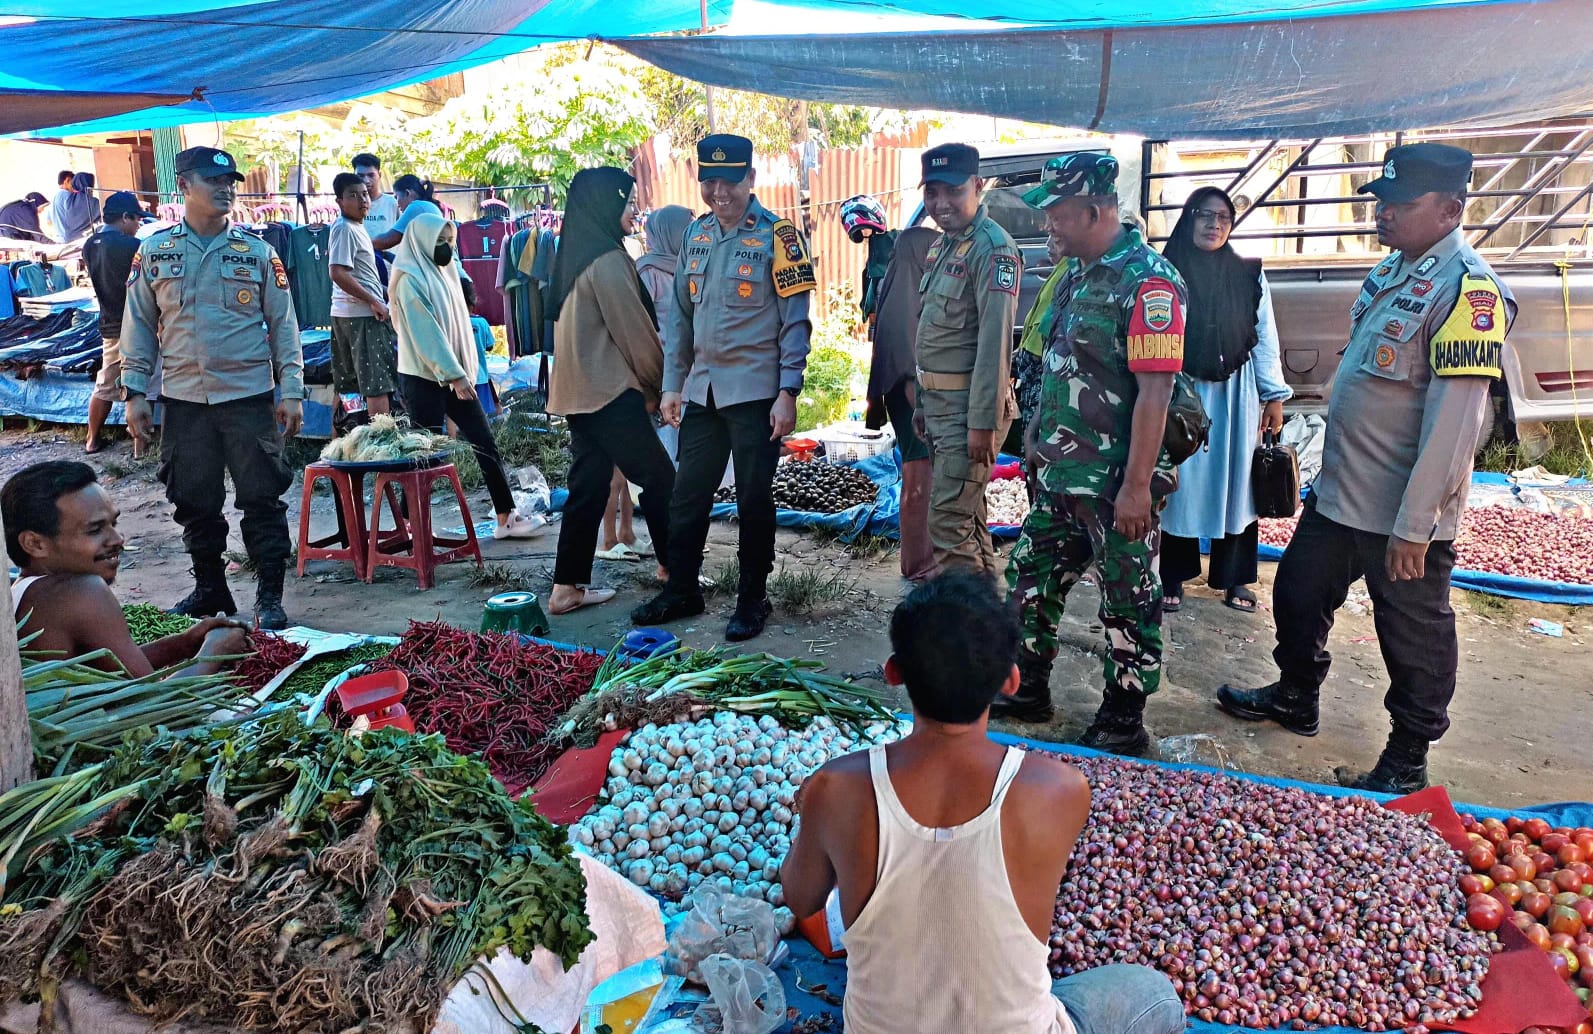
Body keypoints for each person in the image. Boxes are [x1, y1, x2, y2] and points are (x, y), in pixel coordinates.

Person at [1217, 144, 1514, 794]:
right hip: (1341, 494)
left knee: (1411, 634)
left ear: (1450, 210)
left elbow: (1455, 424)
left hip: (1399, 511)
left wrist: (1417, 525)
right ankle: (1296, 694)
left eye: (1400, 203)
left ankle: (1407, 757)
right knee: (1298, 593)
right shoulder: (1394, 269)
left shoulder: (1468, 291)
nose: (1383, 213)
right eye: (1381, 201)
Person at [782, 572, 1184, 1034]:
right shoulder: (1060, 790)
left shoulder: (835, 787)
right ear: (1010, 680)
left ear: (893, 673)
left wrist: (811, 815)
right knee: (1153, 992)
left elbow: (800, 898)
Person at [999, 152, 1185, 756]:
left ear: (1095, 210)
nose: (1047, 223)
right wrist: (1034, 435)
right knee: (1030, 578)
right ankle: (1026, 686)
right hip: (1063, 469)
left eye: (1057, 212)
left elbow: (1156, 393)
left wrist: (1137, 487)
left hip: (1115, 480)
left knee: (1126, 596)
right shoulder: (1076, 273)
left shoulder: (1149, 283)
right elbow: (1060, 361)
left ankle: (1124, 717)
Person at [631, 134, 815, 642]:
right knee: (687, 494)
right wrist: (673, 385)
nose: (719, 192)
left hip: (756, 395)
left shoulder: (780, 237)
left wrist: (788, 391)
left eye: (729, 181)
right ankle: (682, 589)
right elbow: (680, 319)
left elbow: (795, 323)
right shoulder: (696, 234)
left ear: (750, 178)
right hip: (703, 392)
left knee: (753, 500)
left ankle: (753, 598)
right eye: (709, 181)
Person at [122, 147, 304, 631]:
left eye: (230, 182)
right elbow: (138, 325)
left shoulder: (257, 252)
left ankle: (269, 596)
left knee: (262, 498)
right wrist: (134, 391)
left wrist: (291, 389)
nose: (226, 189)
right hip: (184, 400)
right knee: (193, 500)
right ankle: (210, 590)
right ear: (184, 185)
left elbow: (283, 325)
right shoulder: (155, 251)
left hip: (247, 396)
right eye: (213, 180)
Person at [546, 167, 677, 615]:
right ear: (605, 203)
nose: (634, 210)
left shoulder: (575, 256)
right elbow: (635, 333)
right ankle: (674, 571)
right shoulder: (607, 260)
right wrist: (662, 386)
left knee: (587, 487)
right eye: (628, 201)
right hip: (609, 392)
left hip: (578, 393)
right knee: (659, 479)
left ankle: (566, 588)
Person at [1158, 187, 1293, 613]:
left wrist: (1273, 396)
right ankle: (1173, 575)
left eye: (1223, 218)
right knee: (1181, 483)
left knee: (1237, 484)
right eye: (1205, 214)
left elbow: (1264, 335)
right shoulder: (1165, 270)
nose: (1214, 224)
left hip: (1237, 390)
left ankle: (1234, 579)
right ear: (1189, 218)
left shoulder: (1248, 273)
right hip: (1181, 390)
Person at [4, 461, 251, 677]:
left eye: (113, 523)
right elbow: (156, 702)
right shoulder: (83, 593)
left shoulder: (22, 591)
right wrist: (215, 653)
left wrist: (184, 643)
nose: (118, 539)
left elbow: (102, 666)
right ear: (35, 544)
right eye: (94, 530)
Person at [389, 210, 541, 541]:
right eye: (439, 241)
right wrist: (455, 375)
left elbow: (458, 325)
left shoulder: (444, 273)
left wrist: (463, 373)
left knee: (484, 440)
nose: (446, 247)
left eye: (449, 240)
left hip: (455, 376)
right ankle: (410, 526)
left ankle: (506, 516)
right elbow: (427, 334)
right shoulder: (410, 280)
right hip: (424, 378)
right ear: (421, 242)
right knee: (425, 453)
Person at [912, 143, 1023, 579]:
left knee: (947, 523)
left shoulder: (993, 249)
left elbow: (995, 345)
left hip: (967, 413)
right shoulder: (945, 246)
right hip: (941, 409)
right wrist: (922, 403)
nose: (941, 203)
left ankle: (964, 617)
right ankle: (987, 613)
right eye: (932, 192)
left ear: (977, 186)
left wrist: (983, 424)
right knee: (968, 520)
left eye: (953, 191)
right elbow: (935, 336)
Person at [868, 225, 938, 582]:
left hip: (907, 395)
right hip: (912, 397)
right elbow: (910, 360)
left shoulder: (897, 286)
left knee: (919, 474)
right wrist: (920, 404)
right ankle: (919, 564)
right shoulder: (909, 294)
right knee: (919, 477)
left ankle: (919, 559)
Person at [83, 191, 152, 455]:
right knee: (144, 383)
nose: (138, 226)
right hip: (137, 322)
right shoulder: (132, 246)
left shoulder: (90, 245)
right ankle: (140, 446)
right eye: (136, 220)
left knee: (105, 384)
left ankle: (92, 440)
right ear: (125, 217)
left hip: (109, 322)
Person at [327, 171, 397, 420]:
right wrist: (373, 301)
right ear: (339, 201)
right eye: (353, 195)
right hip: (362, 316)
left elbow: (359, 274)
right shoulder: (344, 228)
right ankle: (381, 439)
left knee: (350, 387)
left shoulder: (356, 227)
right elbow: (337, 272)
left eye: (365, 194)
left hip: (351, 314)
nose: (362, 200)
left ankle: (349, 436)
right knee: (377, 384)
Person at [636, 204, 694, 463]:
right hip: (665, 379)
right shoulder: (648, 273)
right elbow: (639, 331)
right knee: (669, 458)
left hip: (699, 378)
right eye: (687, 229)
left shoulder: (693, 267)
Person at [1015, 230, 1070, 433]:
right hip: (1034, 365)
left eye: (1055, 238)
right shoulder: (1062, 270)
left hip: (1042, 368)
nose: (1048, 244)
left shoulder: (1071, 272)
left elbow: (1047, 328)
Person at [370, 174, 441, 253]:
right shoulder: (426, 206)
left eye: (396, 197)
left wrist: (364, 244)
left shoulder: (416, 207)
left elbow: (387, 240)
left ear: (407, 193)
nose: (397, 204)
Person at [460, 277, 497, 417]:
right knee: (481, 414)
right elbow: (489, 346)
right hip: (480, 375)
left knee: (461, 413)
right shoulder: (481, 322)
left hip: (459, 378)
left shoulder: (454, 323)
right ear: (473, 299)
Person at [353, 152, 400, 244]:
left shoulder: (393, 203)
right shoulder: (348, 205)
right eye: (360, 176)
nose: (366, 180)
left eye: (371, 175)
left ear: (380, 175)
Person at [54, 172, 100, 243]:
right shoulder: (68, 195)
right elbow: (102, 210)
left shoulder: (61, 197)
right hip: (79, 240)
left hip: (63, 240)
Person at [45, 170, 73, 241]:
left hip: (59, 239)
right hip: (71, 238)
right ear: (67, 180)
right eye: (72, 182)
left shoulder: (52, 198)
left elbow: (49, 222)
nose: (73, 187)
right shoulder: (67, 195)